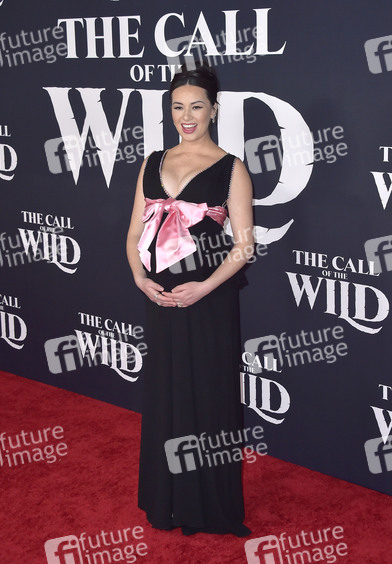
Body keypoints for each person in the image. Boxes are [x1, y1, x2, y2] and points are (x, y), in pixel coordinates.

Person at [126, 63, 254, 536]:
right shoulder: (153, 162)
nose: (186, 116)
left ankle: (209, 506)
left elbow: (244, 246)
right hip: (160, 299)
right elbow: (134, 233)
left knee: (209, 397)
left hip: (208, 299)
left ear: (213, 110)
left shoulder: (231, 168)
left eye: (196, 106)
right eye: (178, 107)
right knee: (166, 394)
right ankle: (167, 499)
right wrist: (139, 278)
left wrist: (203, 287)